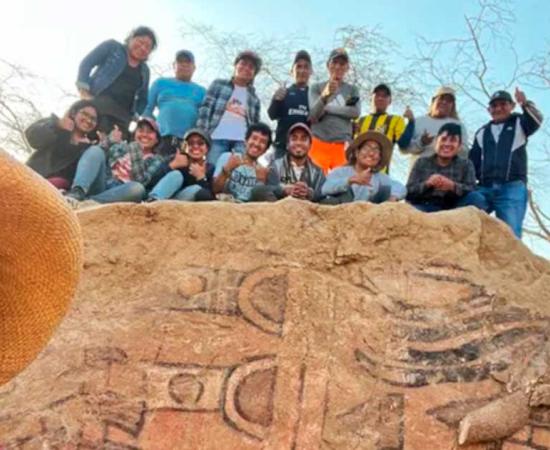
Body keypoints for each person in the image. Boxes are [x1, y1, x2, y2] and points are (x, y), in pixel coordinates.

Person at [469, 88, 543, 238]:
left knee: (510, 233)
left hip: (512, 186)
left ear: (512, 105)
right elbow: (472, 162)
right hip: (485, 187)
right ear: (489, 109)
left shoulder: (520, 123)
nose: (498, 108)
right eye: (494, 106)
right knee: (466, 212)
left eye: (503, 104)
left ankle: (514, 261)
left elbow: (536, 120)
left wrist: (525, 104)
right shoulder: (482, 132)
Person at [76, 26, 157, 138]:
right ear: (131, 38)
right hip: (98, 105)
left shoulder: (145, 70)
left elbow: (143, 98)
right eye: (140, 41)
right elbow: (87, 63)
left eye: (148, 47)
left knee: (115, 150)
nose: (143, 48)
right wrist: (83, 91)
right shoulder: (112, 47)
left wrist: (136, 115)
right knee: (87, 141)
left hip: (123, 117)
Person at [64, 117, 165, 205]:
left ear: (157, 139)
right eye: (141, 130)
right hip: (104, 182)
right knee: (96, 150)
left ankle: (88, 203)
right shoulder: (122, 146)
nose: (144, 135)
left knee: (138, 189)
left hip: (122, 191)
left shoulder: (157, 159)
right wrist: (109, 140)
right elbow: (93, 157)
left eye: (149, 132)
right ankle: (77, 192)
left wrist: (136, 149)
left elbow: (142, 180)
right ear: (135, 134)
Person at [197, 50, 262, 165]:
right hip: (216, 138)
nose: (246, 68)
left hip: (242, 143)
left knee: (238, 176)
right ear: (236, 65)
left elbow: (255, 126)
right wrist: (202, 134)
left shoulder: (254, 98)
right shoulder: (219, 84)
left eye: (251, 67)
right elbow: (205, 108)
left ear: (254, 73)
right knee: (211, 171)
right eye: (243, 63)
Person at [406, 123, 487, 212]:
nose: (447, 144)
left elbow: (472, 189)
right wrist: (427, 184)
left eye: (452, 140)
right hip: (425, 206)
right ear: (435, 142)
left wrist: (453, 186)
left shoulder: (466, 165)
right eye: (443, 139)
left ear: (459, 146)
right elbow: (408, 191)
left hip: (455, 209)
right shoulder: (421, 162)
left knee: (477, 198)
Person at [143, 50, 206, 157]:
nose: (184, 65)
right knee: (158, 170)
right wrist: (150, 130)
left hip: (188, 143)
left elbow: (205, 118)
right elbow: (146, 109)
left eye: (188, 63)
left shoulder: (202, 91)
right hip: (162, 138)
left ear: (194, 68)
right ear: (174, 65)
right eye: (181, 62)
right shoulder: (160, 83)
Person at [25, 100, 99, 190]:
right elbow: (33, 139)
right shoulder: (55, 124)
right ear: (73, 113)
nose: (88, 120)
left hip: (62, 192)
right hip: (33, 179)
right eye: (85, 114)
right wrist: (57, 125)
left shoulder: (91, 149)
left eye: (93, 119)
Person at [309, 48, 361, 174]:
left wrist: (327, 108)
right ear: (328, 65)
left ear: (347, 68)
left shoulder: (352, 90)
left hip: (342, 144)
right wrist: (325, 96)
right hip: (318, 141)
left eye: (342, 64)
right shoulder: (316, 87)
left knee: (342, 186)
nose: (338, 67)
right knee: (313, 185)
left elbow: (354, 112)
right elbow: (313, 114)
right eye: (334, 62)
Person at [321, 131, 406, 204]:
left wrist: (393, 196)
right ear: (357, 153)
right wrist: (349, 180)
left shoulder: (381, 178)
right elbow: (324, 188)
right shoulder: (340, 172)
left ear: (379, 158)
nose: (371, 154)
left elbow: (400, 187)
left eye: (376, 150)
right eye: (366, 148)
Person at [251, 123, 325, 202]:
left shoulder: (318, 171)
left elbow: (322, 194)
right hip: (281, 211)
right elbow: (269, 189)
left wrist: (309, 193)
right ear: (287, 145)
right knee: (258, 190)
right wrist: (284, 190)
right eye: (294, 139)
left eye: (303, 139)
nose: (298, 143)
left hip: (308, 211)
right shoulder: (275, 166)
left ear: (310, 145)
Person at [401, 86, 468, 169]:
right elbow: (403, 149)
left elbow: (465, 153)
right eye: (441, 98)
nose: (444, 102)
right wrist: (421, 142)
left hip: (448, 175)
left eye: (449, 101)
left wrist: (447, 145)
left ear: (452, 106)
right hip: (419, 175)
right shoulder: (417, 122)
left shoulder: (458, 125)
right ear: (433, 101)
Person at [354, 83, 415, 172]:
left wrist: (411, 122)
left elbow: (403, 143)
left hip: (380, 173)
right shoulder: (360, 121)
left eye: (384, 96)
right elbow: (351, 145)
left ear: (390, 101)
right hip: (356, 171)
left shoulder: (396, 120)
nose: (380, 98)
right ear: (371, 98)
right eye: (377, 95)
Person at [146, 128, 215, 202]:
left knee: (196, 188)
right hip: (160, 197)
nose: (195, 146)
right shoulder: (174, 159)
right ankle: (152, 203)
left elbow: (209, 197)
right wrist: (172, 166)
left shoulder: (210, 168)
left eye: (200, 143)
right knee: (176, 175)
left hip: (180, 203)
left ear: (207, 148)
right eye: (190, 143)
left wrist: (201, 177)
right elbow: (151, 184)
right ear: (185, 147)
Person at [267, 50, 312, 160]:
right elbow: (272, 115)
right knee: (281, 178)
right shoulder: (284, 92)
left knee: (300, 178)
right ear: (292, 71)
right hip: (282, 149)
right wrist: (276, 100)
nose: (302, 71)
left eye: (306, 67)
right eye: (299, 67)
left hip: (305, 152)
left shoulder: (315, 96)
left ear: (311, 71)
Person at [212, 122, 271, 202]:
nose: (257, 144)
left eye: (263, 142)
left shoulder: (262, 171)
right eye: (254, 138)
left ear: (265, 150)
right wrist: (226, 169)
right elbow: (215, 190)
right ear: (246, 141)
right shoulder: (227, 157)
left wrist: (261, 181)